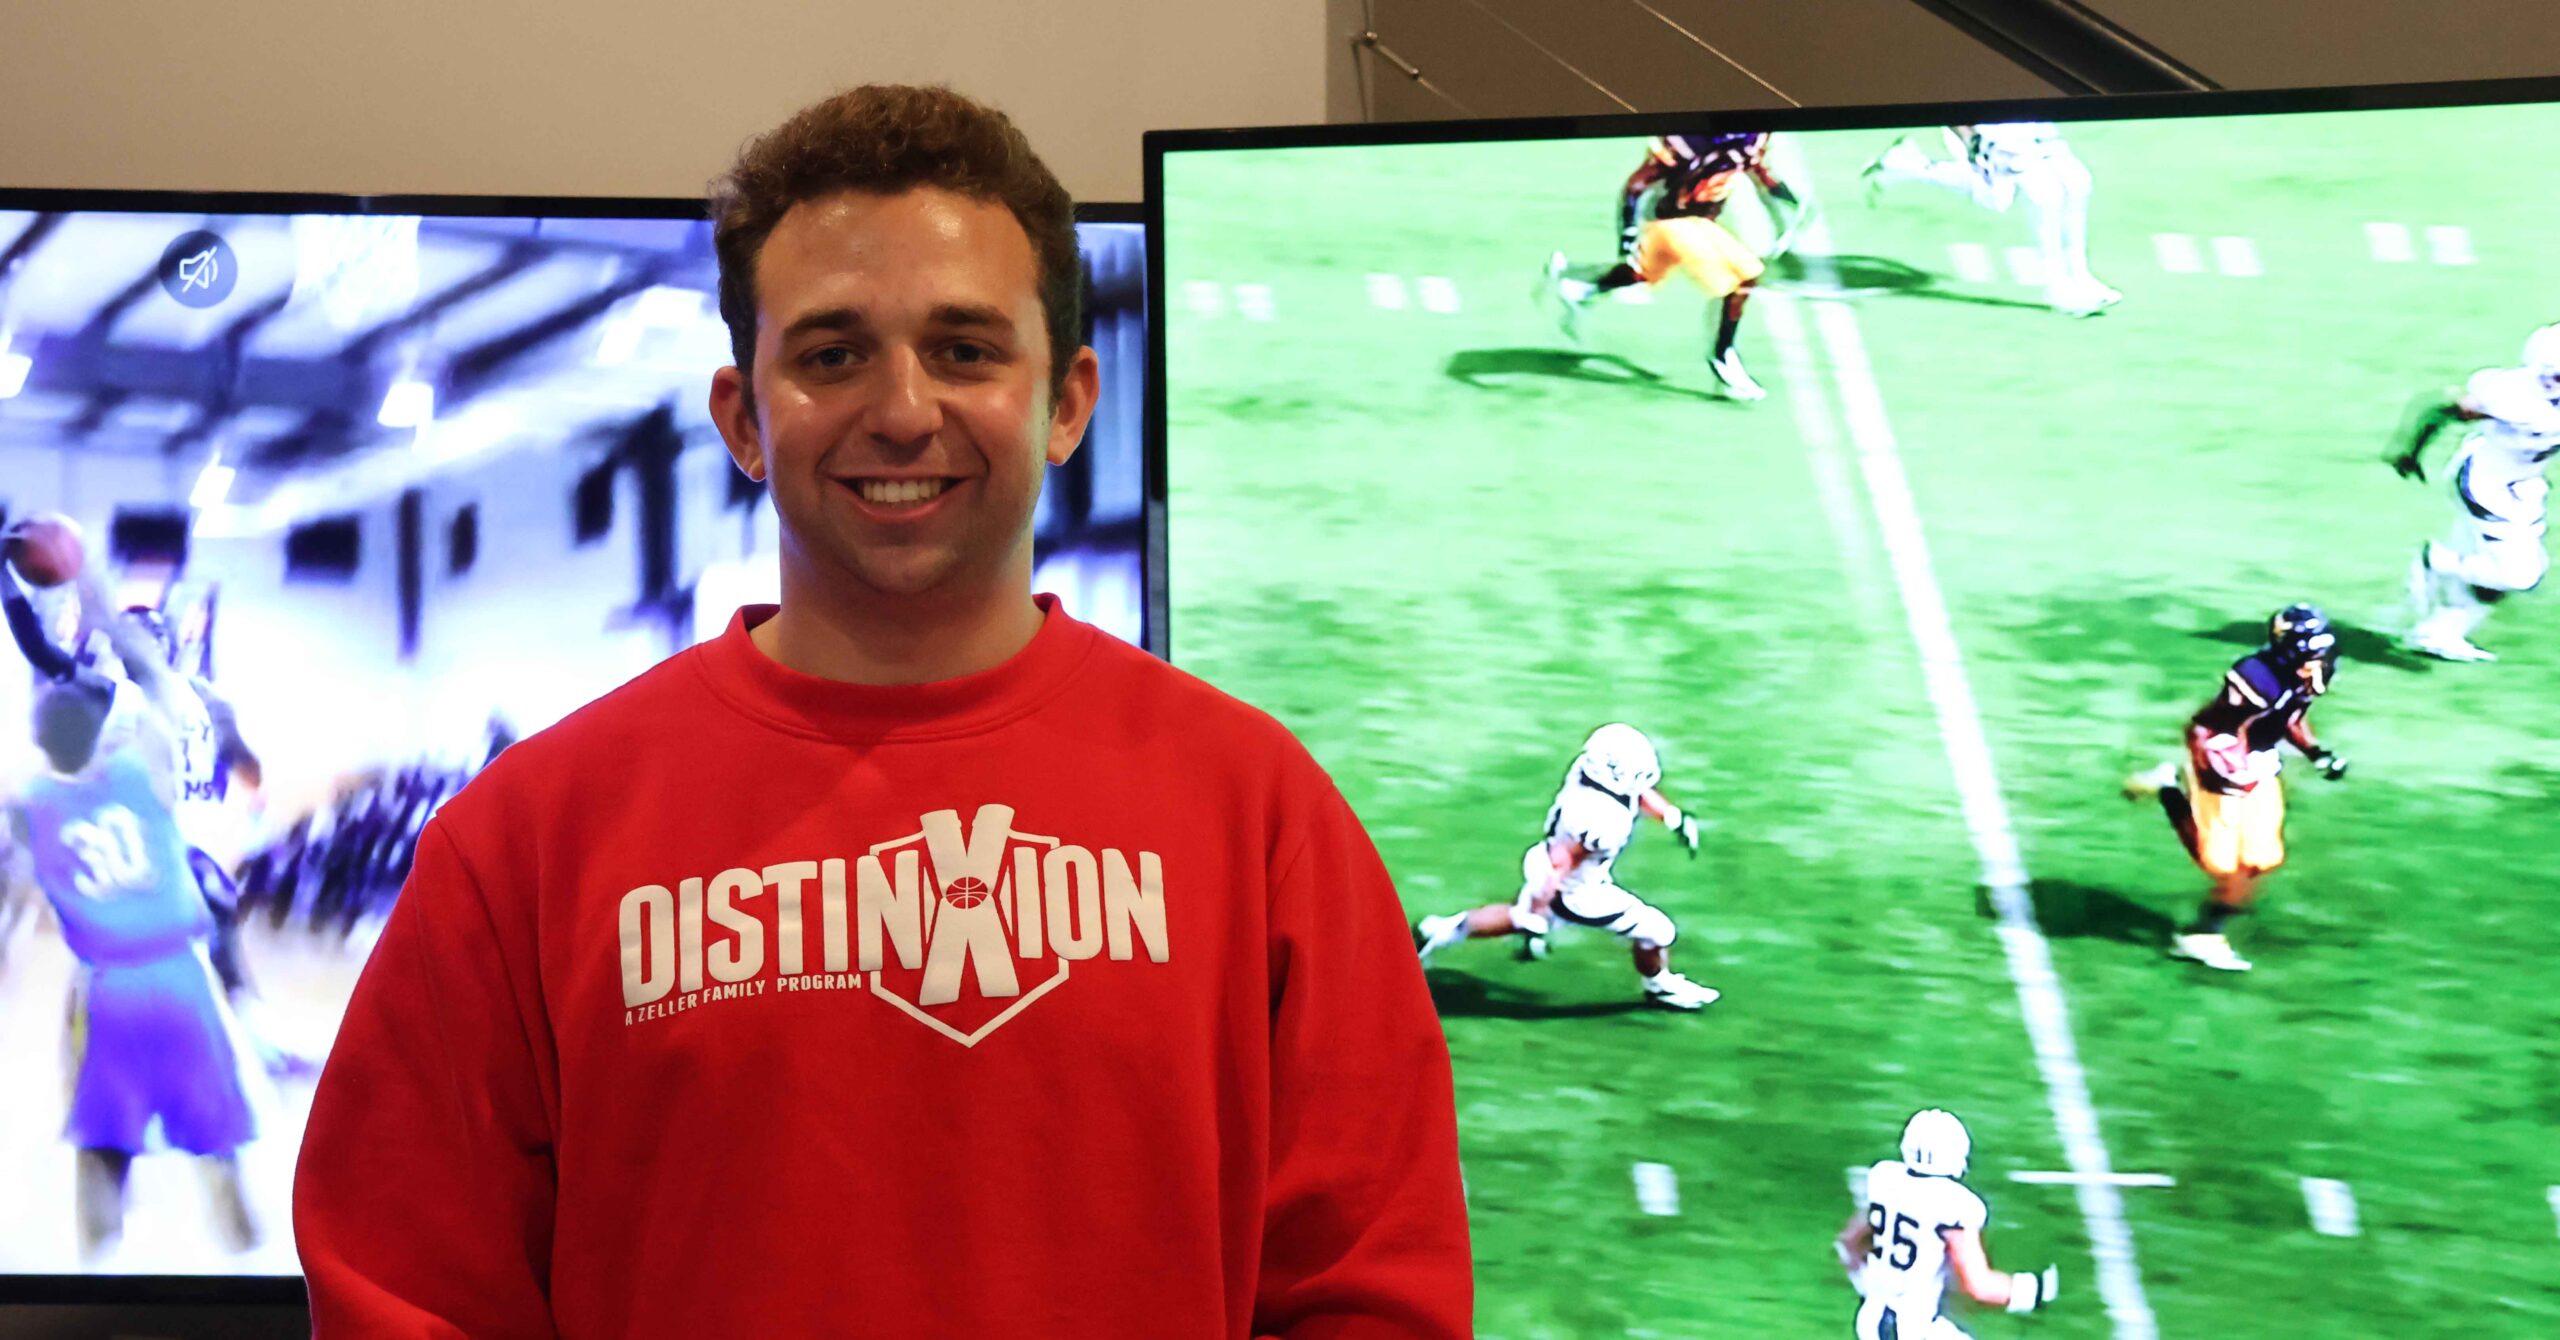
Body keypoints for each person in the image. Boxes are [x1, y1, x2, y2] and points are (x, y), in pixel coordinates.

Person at [294, 84, 1471, 1338]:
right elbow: (407, 1295)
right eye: (831, 353)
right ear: (744, 417)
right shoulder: (526, 843)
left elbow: (1370, 1289)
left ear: (1067, 399)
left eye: (964, 349)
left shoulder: (1258, 812)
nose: (902, 411)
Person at [7, 572, 262, 1261]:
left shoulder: (30, 806)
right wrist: (91, 588)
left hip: (110, 984)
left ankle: (95, 1278)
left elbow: (46, 663)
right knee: (220, 1148)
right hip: (181, 963)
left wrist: (27, 594)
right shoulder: (147, 749)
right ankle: (252, 1273)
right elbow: (145, 666)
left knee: (101, 1147)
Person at [1413, 723, 1719, 1011]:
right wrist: (1537, 918)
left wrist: (1671, 816)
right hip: (1575, 889)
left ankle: (1440, 931)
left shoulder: (1589, 772)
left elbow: (1633, 790)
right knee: (1657, 929)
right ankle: (1659, 986)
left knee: (1516, 915)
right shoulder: (1601, 818)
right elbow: (1561, 866)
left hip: (1545, 858)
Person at [2121, 605, 2346, 972]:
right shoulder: (2256, 678)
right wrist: (2229, 769)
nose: (2319, 661)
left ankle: (2202, 935)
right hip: (2220, 751)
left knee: (2261, 860)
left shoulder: (2311, 672)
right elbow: (2216, 727)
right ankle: (2168, 788)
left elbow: (2291, 715)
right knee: (2220, 864)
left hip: (2259, 760)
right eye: (2311, 652)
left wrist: (2316, 752)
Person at [1543, 132, 1802, 400]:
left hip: (1699, 222)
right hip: (1663, 221)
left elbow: (1760, 170)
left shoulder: (1752, 137)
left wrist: (1787, 199)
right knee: (1734, 280)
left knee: (1640, 276)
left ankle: (1575, 285)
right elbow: (1635, 187)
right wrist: (1628, 239)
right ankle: (1723, 358)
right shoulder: (1687, 142)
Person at [2389, 322, 2560, 662]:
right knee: (2518, 574)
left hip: (2521, 484)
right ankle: (2436, 561)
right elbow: (2439, 406)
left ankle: (2438, 633)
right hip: (2486, 484)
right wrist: (2408, 449)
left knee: (2506, 568)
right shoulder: (2513, 396)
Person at [1836, 1110, 2059, 1338]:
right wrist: (2037, 1291)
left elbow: (1850, 1241)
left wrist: (1870, 1287)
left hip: (1870, 1319)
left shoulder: (1884, 1177)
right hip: (1911, 1329)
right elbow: (1977, 1285)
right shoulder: (1956, 1204)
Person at [1860, 123, 2119, 317]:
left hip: (2029, 113)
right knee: (2041, 194)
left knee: (2077, 181)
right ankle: (2058, 287)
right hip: (1993, 121)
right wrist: (1968, 135)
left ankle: (2082, 276)